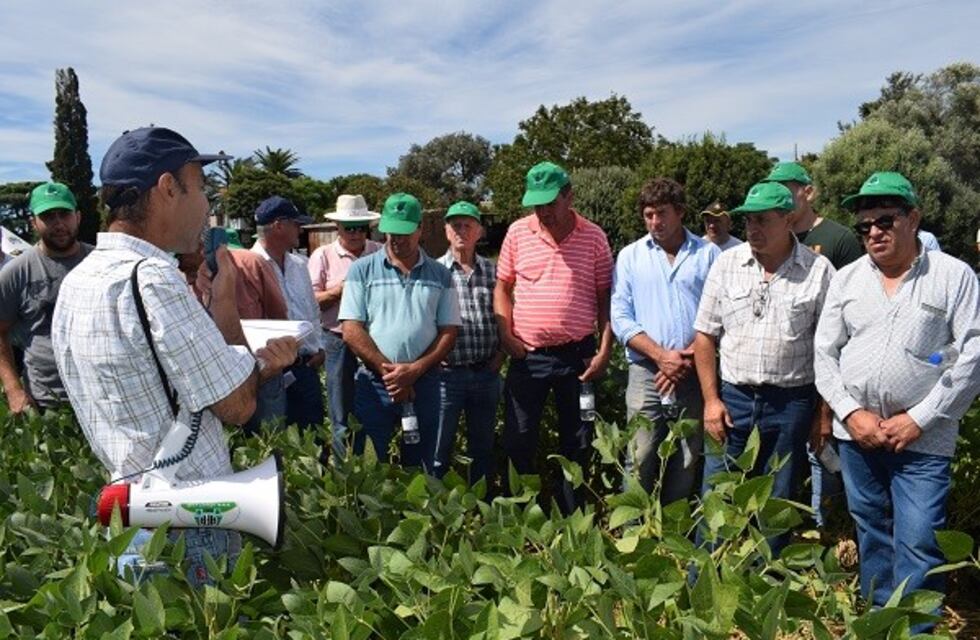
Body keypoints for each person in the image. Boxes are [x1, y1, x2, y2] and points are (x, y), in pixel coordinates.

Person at [51, 126, 297, 586]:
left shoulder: (78, 281)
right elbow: (237, 406)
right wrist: (228, 305)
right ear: (167, 188)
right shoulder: (152, 279)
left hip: (130, 515)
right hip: (186, 524)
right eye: (200, 188)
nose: (206, 206)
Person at [814, 172, 980, 624]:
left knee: (920, 538)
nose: (873, 233)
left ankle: (916, 629)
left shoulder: (953, 276)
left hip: (923, 440)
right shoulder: (847, 280)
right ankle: (878, 624)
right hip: (859, 438)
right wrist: (851, 413)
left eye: (884, 221)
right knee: (872, 533)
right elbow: (824, 355)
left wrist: (919, 419)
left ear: (913, 218)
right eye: (864, 226)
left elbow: (974, 353)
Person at [692, 181, 834, 553]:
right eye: (748, 221)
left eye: (762, 220)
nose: (752, 229)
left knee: (776, 499)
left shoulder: (819, 271)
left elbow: (831, 347)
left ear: (788, 219)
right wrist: (711, 401)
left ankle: (765, 590)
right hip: (733, 401)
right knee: (717, 495)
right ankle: (701, 585)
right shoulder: (727, 264)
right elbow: (704, 335)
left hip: (791, 403)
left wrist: (824, 412)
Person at [495, 161, 614, 515]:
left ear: (569, 196)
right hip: (527, 355)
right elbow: (503, 287)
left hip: (577, 356)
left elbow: (606, 297)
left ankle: (572, 519)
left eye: (550, 203)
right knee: (519, 439)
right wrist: (506, 333)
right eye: (537, 204)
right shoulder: (518, 233)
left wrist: (605, 348)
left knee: (577, 443)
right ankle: (523, 517)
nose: (543, 211)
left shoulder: (594, 236)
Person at [763, 161, 862, 528]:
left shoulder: (839, 239)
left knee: (824, 458)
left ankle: (829, 533)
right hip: (783, 378)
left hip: (824, 375)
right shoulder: (766, 237)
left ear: (809, 192)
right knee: (782, 465)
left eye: (788, 188)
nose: (783, 196)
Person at [611, 178, 720, 502]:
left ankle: (673, 530)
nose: (655, 222)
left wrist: (686, 357)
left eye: (661, 213)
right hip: (647, 371)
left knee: (687, 454)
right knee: (640, 452)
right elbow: (620, 316)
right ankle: (633, 531)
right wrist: (661, 356)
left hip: (694, 369)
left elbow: (720, 311)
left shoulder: (708, 254)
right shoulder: (631, 256)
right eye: (648, 215)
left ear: (680, 212)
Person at [339, 193, 460, 470]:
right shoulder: (361, 270)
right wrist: (391, 374)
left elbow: (449, 330)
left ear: (420, 229)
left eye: (405, 232)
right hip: (374, 383)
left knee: (420, 465)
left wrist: (415, 370)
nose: (397, 239)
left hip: (425, 382)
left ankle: (415, 514)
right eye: (392, 231)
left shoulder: (441, 275)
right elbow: (351, 329)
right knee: (368, 464)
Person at [0, 182, 93, 413]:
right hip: (47, 403)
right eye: (48, 216)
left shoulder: (101, 262)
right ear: (34, 222)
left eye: (64, 214)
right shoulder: (16, 272)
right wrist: (14, 390)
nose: (59, 223)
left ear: (78, 217)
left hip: (103, 397)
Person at [308, 194, 382, 460]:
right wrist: (341, 290)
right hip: (337, 340)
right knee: (340, 413)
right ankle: (342, 478)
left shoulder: (379, 252)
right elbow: (311, 302)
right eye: (349, 227)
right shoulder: (323, 256)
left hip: (373, 340)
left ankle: (369, 468)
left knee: (372, 409)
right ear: (337, 228)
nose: (355, 233)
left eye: (360, 227)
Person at [435, 201, 503, 483]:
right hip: (446, 374)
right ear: (446, 232)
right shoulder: (434, 271)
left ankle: (482, 511)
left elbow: (508, 315)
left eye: (468, 225)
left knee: (483, 449)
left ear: (480, 231)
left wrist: (500, 356)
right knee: (438, 448)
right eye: (455, 225)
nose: (461, 230)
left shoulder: (494, 271)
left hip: (486, 373)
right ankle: (434, 512)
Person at [251, 196, 325, 431]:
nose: (299, 230)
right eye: (296, 224)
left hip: (305, 367)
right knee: (274, 443)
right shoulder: (247, 265)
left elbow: (312, 311)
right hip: (270, 373)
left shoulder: (300, 264)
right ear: (278, 226)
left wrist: (319, 347)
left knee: (313, 441)